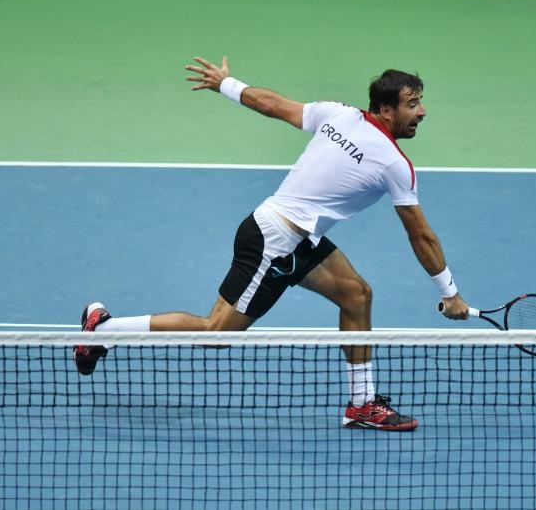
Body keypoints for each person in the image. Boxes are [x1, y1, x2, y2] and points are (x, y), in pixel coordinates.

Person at [74, 56, 470, 431]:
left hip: (298, 239)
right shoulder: (393, 164)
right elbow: (420, 234)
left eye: (420, 103)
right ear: (386, 110)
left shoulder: (339, 113)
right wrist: (449, 293)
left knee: (356, 295)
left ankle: (362, 405)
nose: (422, 112)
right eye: (412, 104)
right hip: (275, 240)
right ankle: (105, 329)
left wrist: (225, 84)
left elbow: (273, 104)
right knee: (216, 334)